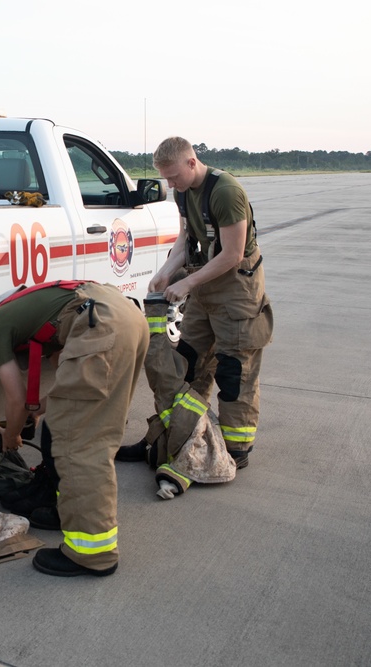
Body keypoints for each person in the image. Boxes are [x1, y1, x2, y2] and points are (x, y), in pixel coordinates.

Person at [0, 281, 148, 578]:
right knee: (64, 429)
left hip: (101, 324)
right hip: (125, 317)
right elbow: (66, 376)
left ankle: (92, 553)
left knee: (78, 443)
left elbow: (15, 399)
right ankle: (67, 512)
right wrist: (36, 412)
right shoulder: (14, 306)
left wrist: (11, 435)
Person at [118, 137, 273, 470]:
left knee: (234, 371)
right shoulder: (183, 191)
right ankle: (177, 433)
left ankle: (235, 448)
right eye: (166, 178)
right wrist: (165, 273)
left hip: (237, 291)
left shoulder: (226, 192)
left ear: (192, 162)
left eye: (174, 176)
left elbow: (232, 254)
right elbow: (186, 237)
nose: (170, 184)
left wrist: (187, 283)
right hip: (205, 287)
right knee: (187, 362)